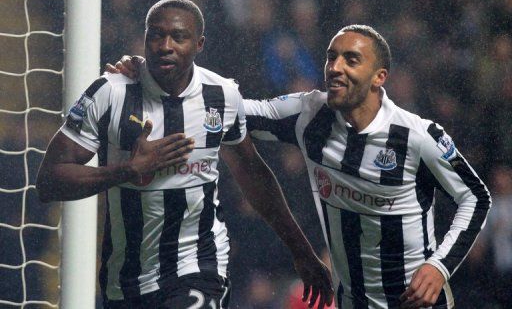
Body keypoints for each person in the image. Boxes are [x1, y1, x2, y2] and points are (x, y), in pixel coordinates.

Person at [113, 24, 491, 309]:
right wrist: (155, 75)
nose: (335, 67)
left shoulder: (417, 136)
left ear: (380, 77)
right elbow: (228, 107)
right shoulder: (310, 114)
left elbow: (476, 198)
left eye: (351, 59)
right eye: (331, 57)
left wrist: (440, 266)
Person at [36, 0, 333, 309]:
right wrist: (126, 170)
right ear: (145, 38)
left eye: (178, 36)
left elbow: (253, 173)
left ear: (199, 44)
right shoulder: (110, 92)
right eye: (156, 34)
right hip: (125, 281)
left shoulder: (221, 95)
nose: (166, 45)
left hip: (198, 268)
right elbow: (49, 181)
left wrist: (302, 252)